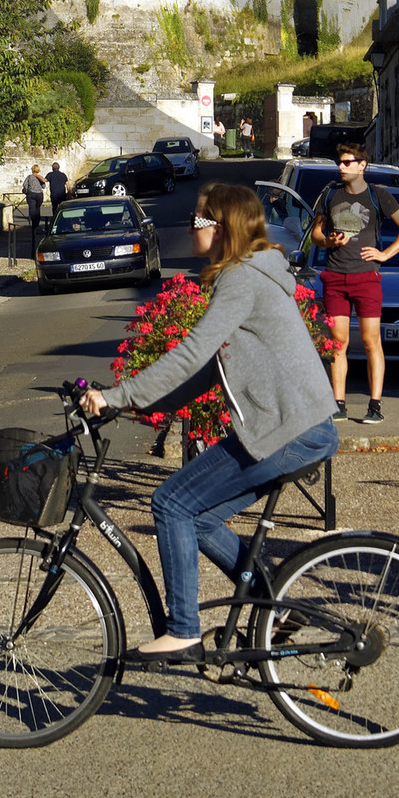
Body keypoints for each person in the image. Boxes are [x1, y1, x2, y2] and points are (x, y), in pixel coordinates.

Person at [80, 182, 338, 658]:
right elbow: (207, 371)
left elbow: (192, 352)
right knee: (195, 521)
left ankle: (183, 629)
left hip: (286, 430)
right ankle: (276, 606)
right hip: (298, 427)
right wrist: (136, 404)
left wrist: (119, 393)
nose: (190, 228)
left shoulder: (242, 278)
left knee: (171, 503)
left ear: (219, 229)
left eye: (197, 220)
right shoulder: (253, 274)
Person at [312, 141, 399, 424]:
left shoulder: (377, 195)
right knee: (338, 342)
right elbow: (315, 235)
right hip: (335, 276)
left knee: (372, 341)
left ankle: (375, 405)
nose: (341, 167)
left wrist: (384, 254)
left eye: (347, 163)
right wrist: (328, 240)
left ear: (362, 166)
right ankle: (338, 403)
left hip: (366, 278)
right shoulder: (330, 194)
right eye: (340, 162)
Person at [22, 164, 46, 242]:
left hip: (31, 194)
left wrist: (26, 191)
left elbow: (25, 185)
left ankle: (33, 225)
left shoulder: (29, 177)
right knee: (37, 209)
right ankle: (37, 224)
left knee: (32, 208)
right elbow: (43, 186)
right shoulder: (40, 177)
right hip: (39, 194)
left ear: (32, 169)